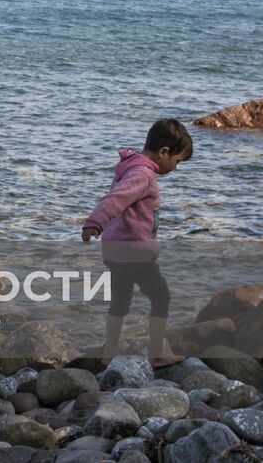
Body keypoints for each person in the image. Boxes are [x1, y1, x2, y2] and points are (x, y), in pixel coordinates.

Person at [81, 117, 193, 367]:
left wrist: (98, 224)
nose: (176, 168)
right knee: (161, 297)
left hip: (114, 250)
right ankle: (156, 354)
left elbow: (116, 199)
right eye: (177, 162)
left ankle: (109, 353)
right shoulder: (142, 174)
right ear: (164, 152)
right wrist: (94, 221)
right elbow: (116, 199)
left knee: (120, 300)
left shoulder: (131, 167)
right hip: (133, 251)